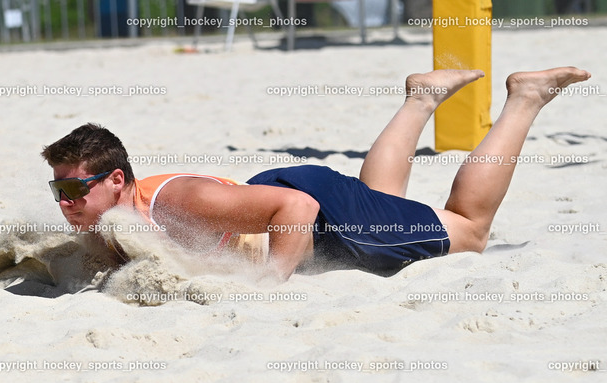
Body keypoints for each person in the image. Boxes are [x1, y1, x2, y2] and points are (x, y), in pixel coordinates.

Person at [41, 66, 591, 280]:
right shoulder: (121, 215)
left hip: (313, 208)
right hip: (291, 194)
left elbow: (296, 210)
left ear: (115, 180)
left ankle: (526, 97)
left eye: (72, 189)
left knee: (468, 229)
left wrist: (272, 286)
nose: (64, 202)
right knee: (378, 198)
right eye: (57, 190)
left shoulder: (175, 203)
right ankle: (421, 100)